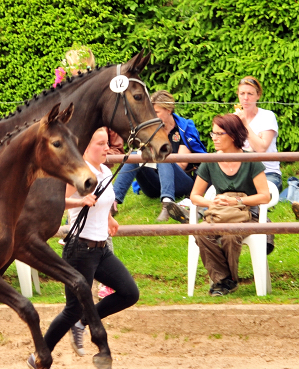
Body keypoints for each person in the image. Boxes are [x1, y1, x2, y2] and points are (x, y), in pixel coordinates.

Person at [26, 128, 139, 369]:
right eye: (100, 144)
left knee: (129, 293)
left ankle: (85, 322)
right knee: (72, 309)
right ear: (86, 148)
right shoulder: (77, 172)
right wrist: (80, 201)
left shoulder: (106, 171)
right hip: (80, 249)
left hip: (101, 249)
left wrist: (109, 218)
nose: (107, 149)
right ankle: (38, 358)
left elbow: (103, 199)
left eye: (107, 144)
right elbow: (56, 201)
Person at [188, 114, 270, 296]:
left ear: (232, 136)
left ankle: (225, 281)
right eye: (213, 134)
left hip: (248, 215)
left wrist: (238, 201)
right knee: (200, 232)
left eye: (219, 134)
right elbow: (195, 196)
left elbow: (264, 196)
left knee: (230, 236)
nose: (214, 138)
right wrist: (211, 202)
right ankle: (226, 280)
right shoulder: (210, 161)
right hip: (220, 213)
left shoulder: (251, 160)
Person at [112, 90, 207, 221]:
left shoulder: (184, 128)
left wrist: (156, 158)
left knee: (164, 156)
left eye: (156, 112)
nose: (152, 116)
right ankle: (113, 202)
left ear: (168, 110)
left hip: (181, 183)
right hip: (155, 184)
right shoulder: (152, 129)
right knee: (134, 155)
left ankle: (167, 205)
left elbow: (182, 164)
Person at [234, 76, 281, 192]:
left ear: (258, 95)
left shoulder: (267, 116)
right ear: (238, 95)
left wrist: (245, 125)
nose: (245, 98)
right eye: (242, 93)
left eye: (250, 94)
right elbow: (231, 149)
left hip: (268, 173)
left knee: (251, 193)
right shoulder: (234, 119)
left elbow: (260, 149)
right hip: (241, 173)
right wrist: (254, 141)